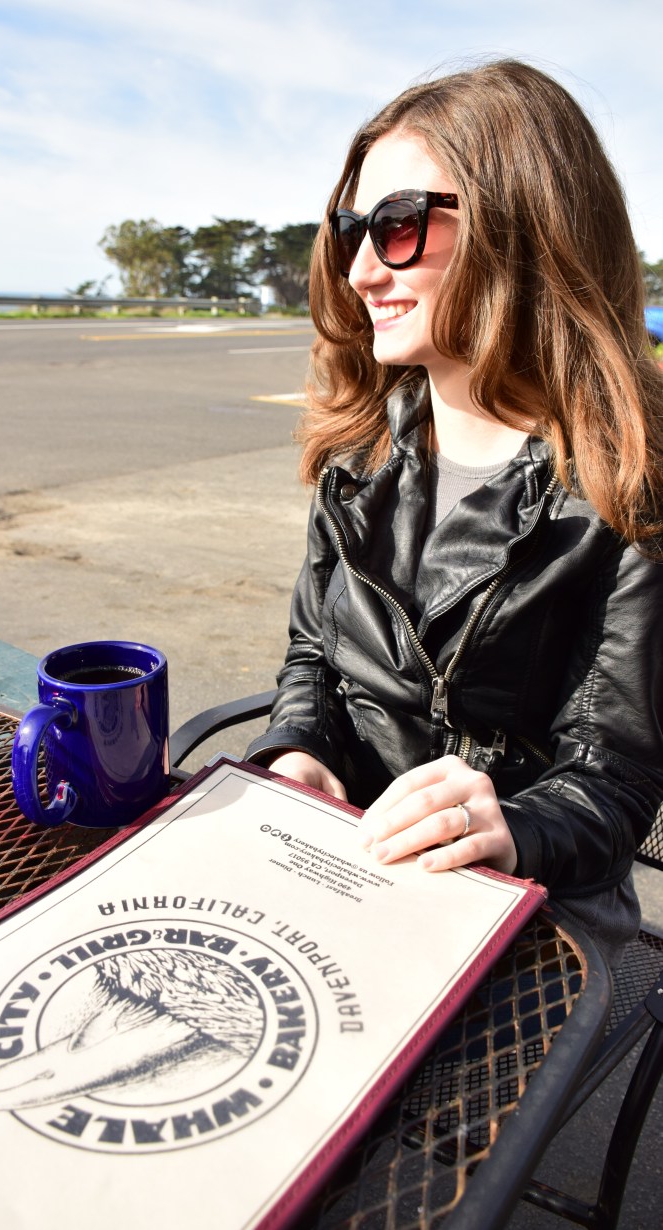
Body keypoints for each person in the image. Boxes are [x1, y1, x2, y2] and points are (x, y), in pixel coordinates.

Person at [245, 59, 663, 967]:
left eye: (397, 226)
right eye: (351, 229)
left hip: (529, 903)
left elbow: (614, 773)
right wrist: (296, 753)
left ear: (524, 228)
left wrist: (506, 825)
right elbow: (314, 656)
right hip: (349, 851)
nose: (359, 270)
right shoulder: (357, 450)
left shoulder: (627, 482)